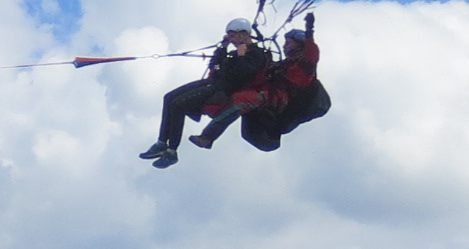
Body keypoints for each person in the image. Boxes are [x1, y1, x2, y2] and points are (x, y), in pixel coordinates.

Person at [140, 22, 269, 167]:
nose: (231, 39)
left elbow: (242, 75)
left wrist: (241, 55)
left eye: (232, 36)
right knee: (169, 97)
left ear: (244, 34)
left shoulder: (256, 54)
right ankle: (161, 142)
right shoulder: (233, 53)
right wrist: (222, 50)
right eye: (229, 36)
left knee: (178, 104)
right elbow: (216, 66)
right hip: (213, 83)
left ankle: (172, 151)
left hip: (223, 90)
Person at [197, 17, 330, 153]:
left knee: (241, 99)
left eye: (289, 43)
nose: (285, 46)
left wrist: (309, 31)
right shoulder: (286, 63)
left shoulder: (306, 64)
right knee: (240, 91)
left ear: (300, 45)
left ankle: (208, 137)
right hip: (269, 93)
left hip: (278, 98)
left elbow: (312, 52)